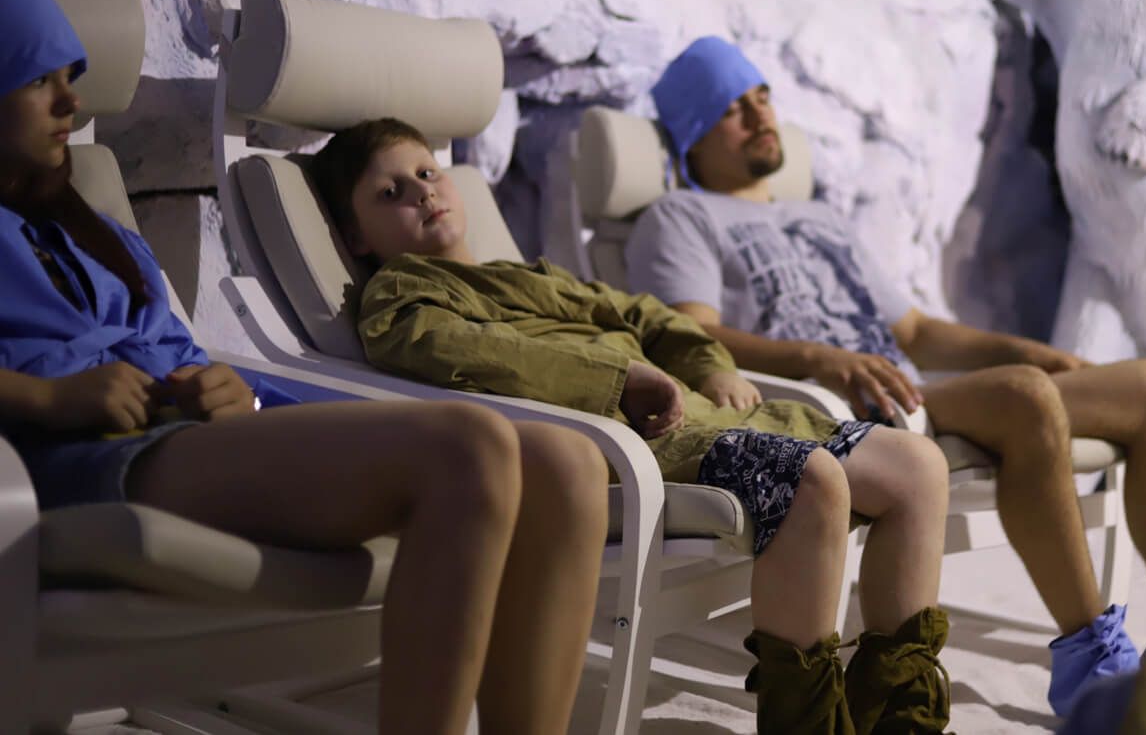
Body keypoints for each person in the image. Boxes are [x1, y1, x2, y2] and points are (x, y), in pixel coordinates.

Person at [0, 0, 610, 735]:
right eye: (39, 80)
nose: (71, 102)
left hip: (183, 434)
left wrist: (229, 388)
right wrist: (46, 397)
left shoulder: (94, 230)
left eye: (72, 78)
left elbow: (173, 347)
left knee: (567, 463)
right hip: (83, 457)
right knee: (470, 446)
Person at [624, 36, 1146, 717]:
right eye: (732, 109)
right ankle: (1094, 665)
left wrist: (1025, 348)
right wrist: (818, 359)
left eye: (763, 98)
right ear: (693, 134)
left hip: (908, 395)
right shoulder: (680, 216)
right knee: (1023, 396)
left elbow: (916, 332)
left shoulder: (817, 218)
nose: (761, 117)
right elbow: (693, 335)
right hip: (832, 415)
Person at [309, 117, 956, 735]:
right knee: (813, 480)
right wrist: (618, 378)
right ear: (358, 237)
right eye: (390, 192)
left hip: (715, 419)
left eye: (427, 173)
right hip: (635, 446)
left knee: (917, 467)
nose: (422, 192)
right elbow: (467, 352)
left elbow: (650, 316)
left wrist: (709, 367)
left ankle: (899, 719)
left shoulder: (534, 277)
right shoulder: (402, 295)